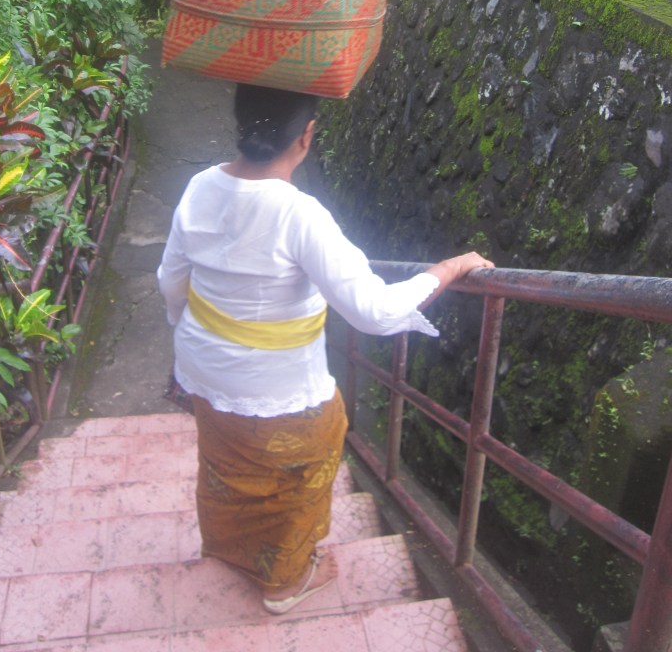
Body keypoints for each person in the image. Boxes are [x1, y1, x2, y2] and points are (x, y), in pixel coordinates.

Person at [157, 83, 494, 615]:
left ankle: (230, 548)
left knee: (227, 464)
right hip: (277, 388)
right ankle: (285, 582)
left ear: (239, 122)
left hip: (203, 368)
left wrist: (189, 335)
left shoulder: (200, 186)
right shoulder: (300, 215)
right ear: (306, 136)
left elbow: (171, 280)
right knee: (306, 461)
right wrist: (449, 268)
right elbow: (375, 311)